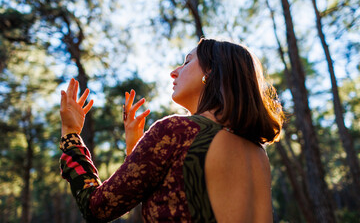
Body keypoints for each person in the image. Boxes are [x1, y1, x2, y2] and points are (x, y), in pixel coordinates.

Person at [59, 38, 284, 222]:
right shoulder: (257, 152)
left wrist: (71, 134)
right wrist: (135, 150)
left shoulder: (178, 131)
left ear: (212, 71)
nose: (174, 72)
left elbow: (97, 208)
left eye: (187, 62)